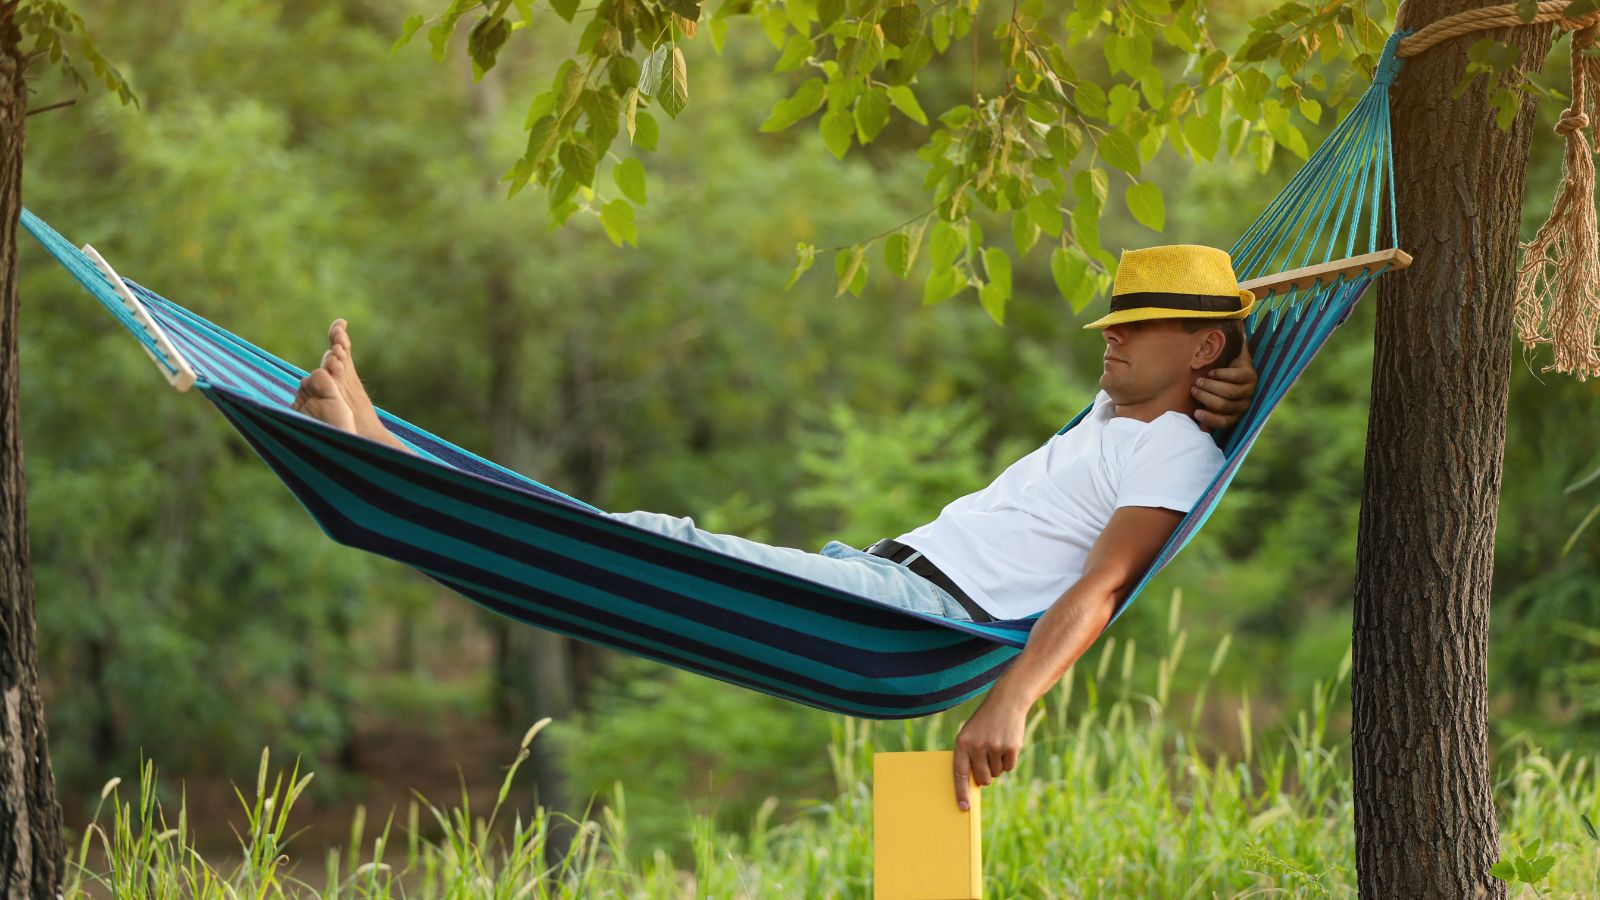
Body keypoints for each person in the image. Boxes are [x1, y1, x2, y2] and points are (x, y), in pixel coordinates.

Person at [290, 244, 1259, 811]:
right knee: (628, 552)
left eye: (1139, 328)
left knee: (656, 545)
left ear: (1203, 343)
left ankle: (387, 465)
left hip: (913, 624)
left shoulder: (1172, 451)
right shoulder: (1116, 416)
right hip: (880, 582)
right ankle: (387, 456)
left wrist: (1012, 701)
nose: (1113, 339)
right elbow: (1180, 380)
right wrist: (1225, 374)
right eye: (1112, 325)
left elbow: (1102, 587)